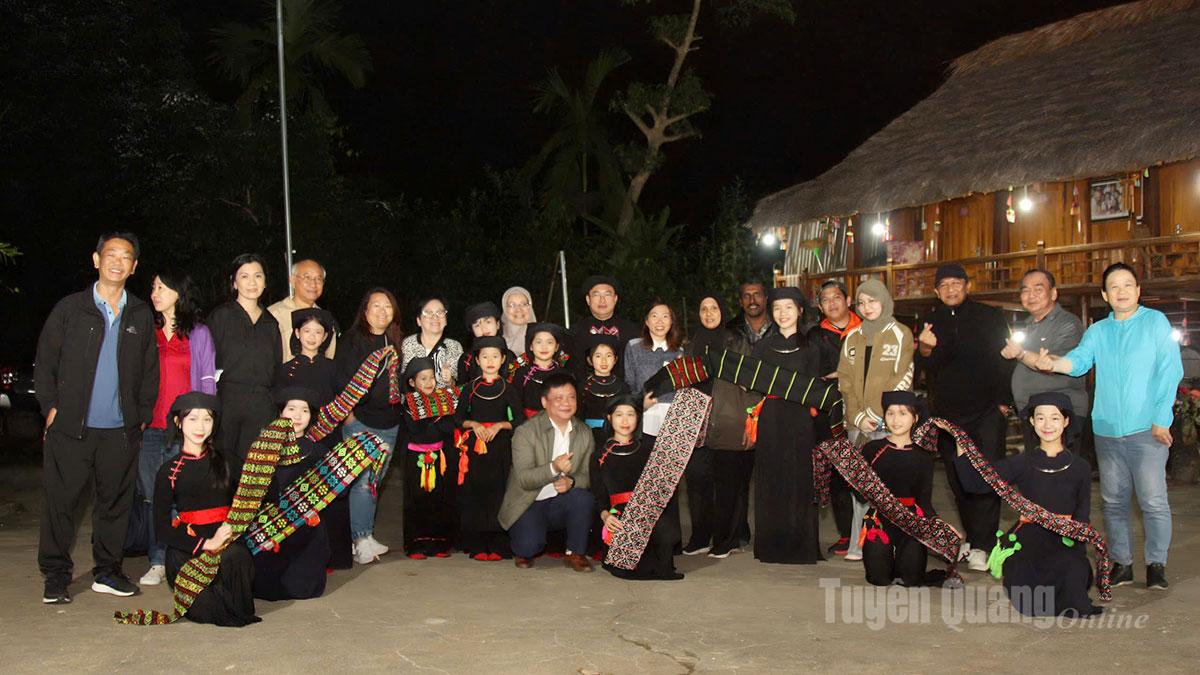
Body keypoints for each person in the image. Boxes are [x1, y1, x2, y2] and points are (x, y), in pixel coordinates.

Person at [1035, 262, 1183, 589]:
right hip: (1107, 430)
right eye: (1113, 287)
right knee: (1113, 502)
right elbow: (1080, 361)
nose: (1121, 291)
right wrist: (1054, 363)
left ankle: (1156, 564)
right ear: (1105, 294)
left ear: (1138, 290)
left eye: (1127, 284)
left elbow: (1170, 372)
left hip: (1147, 429)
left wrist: (1162, 419)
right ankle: (1123, 564)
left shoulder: (1155, 323)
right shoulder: (1099, 331)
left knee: (1152, 500)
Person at [36, 232, 159, 604]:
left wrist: (140, 416)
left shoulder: (139, 313)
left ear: (134, 266)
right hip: (72, 428)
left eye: (126, 257)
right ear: (96, 259)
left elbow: (149, 372)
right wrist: (50, 406)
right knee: (62, 503)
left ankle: (108, 570)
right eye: (111, 254)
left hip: (120, 431)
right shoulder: (70, 309)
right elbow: (45, 362)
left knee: (115, 504)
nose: (117, 262)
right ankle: (56, 575)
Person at [951, 392, 1102, 616]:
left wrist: (1076, 551)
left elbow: (1082, 514)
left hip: (1064, 539)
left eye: (1055, 418)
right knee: (1032, 604)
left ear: (1066, 421)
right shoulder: (1021, 463)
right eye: (1040, 418)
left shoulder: (1080, 467)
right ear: (1031, 422)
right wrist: (962, 451)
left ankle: (1073, 580)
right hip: (1028, 539)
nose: (1047, 424)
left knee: (1073, 587)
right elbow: (977, 484)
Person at [916, 262, 1012, 571]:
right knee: (957, 479)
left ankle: (984, 544)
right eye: (944, 286)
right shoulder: (931, 321)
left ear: (967, 286)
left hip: (986, 410)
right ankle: (972, 538)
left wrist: (1002, 402)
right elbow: (926, 368)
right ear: (936, 291)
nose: (951, 290)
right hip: (947, 414)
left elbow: (1005, 359)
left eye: (956, 284)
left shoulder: (990, 316)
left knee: (985, 476)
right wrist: (926, 350)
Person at [137, 269, 217, 587]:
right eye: (153, 287)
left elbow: (207, 381)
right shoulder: (147, 331)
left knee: (181, 497)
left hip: (182, 430)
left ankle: (180, 558)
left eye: (161, 287)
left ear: (178, 292)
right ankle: (157, 560)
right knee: (150, 495)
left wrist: (201, 424)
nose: (154, 292)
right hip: (150, 426)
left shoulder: (198, 333)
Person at [154, 392, 258, 626]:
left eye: (207, 419)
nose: (200, 426)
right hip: (188, 544)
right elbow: (162, 529)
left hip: (226, 537)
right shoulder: (169, 471)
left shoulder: (228, 460)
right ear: (178, 422)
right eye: (193, 419)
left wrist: (233, 526)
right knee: (207, 610)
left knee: (236, 557)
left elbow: (254, 496)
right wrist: (205, 544)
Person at [837, 279, 915, 561]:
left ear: (885, 301)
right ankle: (858, 545)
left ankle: (891, 544)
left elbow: (903, 376)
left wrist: (878, 414)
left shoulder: (900, 334)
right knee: (860, 486)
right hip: (857, 426)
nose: (868, 307)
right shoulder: (852, 337)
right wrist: (858, 415)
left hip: (888, 424)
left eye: (873, 301)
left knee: (889, 487)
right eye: (862, 302)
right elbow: (844, 381)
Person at [750, 287, 823, 564]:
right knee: (771, 477)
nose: (783, 313)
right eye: (778, 308)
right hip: (771, 416)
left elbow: (816, 388)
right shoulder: (762, 347)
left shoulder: (811, 348)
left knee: (799, 478)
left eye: (789, 307)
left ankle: (800, 545)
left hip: (801, 418)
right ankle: (771, 545)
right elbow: (754, 382)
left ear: (800, 311)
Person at [273, 307, 350, 568]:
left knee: (331, 493)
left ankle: (333, 555)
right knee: (299, 495)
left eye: (319, 332)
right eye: (307, 331)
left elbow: (344, 401)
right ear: (297, 333)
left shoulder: (333, 367)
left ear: (326, 336)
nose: (312, 336)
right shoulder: (286, 369)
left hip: (328, 438)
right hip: (295, 441)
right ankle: (300, 553)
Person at [498, 372, 596, 572]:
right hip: (529, 501)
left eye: (571, 397)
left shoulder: (584, 432)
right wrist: (554, 468)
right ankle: (525, 545)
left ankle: (575, 553)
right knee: (528, 547)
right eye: (558, 398)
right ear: (544, 402)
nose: (566, 403)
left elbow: (589, 476)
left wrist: (572, 482)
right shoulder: (526, 432)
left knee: (583, 498)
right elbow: (524, 479)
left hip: (562, 501)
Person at [336, 288, 404, 564]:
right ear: (365, 311)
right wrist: (348, 414)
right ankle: (359, 538)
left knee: (374, 481)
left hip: (389, 422)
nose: (382, 311)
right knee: (362, 481)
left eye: (388, 306)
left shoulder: (393, 341)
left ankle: (364, 535)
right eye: (376, 306)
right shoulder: (352, 340)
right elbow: (341, 379)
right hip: (361, 421)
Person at [252, 387, 332, 601]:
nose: (297, 416)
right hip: (270, 525)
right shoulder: (264, 447)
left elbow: (335, 493)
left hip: (306, 527)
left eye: (304, 411)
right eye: (292, 408)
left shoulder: (319, 452)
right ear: (281, 412)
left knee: (303, 588)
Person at [592, 395, 684, 580]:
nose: (625, 421)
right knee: (627, 567)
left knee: (666, 530)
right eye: (619, 415)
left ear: (638, 418)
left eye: (631, 414)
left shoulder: (650, 448)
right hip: (619, 516)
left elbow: (667, 486)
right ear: (610, 418)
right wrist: (605, 516)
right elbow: (599, 494)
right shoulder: (600, 455)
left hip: (650, 510)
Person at [1000, 269, 1089, 457]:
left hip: (1059, 413)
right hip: (1031, 412)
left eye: (1038, 289)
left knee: (1060, 475)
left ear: (1053, 293)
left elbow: (1055, 365)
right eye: (1025, 290)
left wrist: (1021, 354)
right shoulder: (1028, 324)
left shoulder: (1068, 324)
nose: (1030, 295)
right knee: (1037, 474)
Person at [207, 253, 282, 468]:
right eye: (244, 276)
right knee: (223, 469)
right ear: (234, 282)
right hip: (227, 403)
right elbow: (208, 364)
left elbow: (276, 367)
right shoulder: (220, 317)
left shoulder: (270, 323)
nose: (252, 282)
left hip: (261, 406)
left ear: (265, 282)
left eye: (258, 276)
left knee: (255, 472)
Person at [855, 391, 937, 586]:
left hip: (911, 522)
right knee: (878, 579)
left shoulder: (924, 455)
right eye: (890, 413)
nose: (895, 419)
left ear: (915, 418)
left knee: (911, 580)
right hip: (879, 521)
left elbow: (924, 501)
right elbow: (860, 496)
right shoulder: (872, 449)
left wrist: (939, 527)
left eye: (902, 413)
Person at [455, 336, 524, 560]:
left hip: (500, 447)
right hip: (475, 448)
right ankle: (477, 544)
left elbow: (520, 420)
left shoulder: (509, 388)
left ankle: (498, 544)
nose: (490, 361)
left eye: (495, 356)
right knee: (476, 493)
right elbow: (458, 419)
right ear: (477, 360)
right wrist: (474, 424)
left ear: (503, 359)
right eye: (485, 356)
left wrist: (501, 425)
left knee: (498, 493)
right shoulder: (469, 389)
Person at [810, 280, 862, 557]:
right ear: (820, 306)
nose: (832, 303)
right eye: (826, 300)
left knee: (867, 472)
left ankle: (871, 531)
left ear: (848, 299)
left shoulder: (866, 328)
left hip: (864, 411)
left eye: (836, 297)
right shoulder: (814, 336)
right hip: (829, 413)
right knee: (839, 476)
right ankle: (846, 533)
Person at [401, 357, 460, 559]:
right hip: (416, 459)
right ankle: (417, 543)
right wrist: (436, 418)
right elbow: (415, 429)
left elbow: (450, 426)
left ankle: (439, 541)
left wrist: (433, 418)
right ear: (412, 383)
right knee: (417, 498)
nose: (429, 383)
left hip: (439, 456)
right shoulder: (408, 404)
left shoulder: (444, 399)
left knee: (439, 498)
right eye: (423, 379)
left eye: (432, 378)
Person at [623, 301, 684, 440]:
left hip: (671, 420)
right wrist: (639, 404)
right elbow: (629, 382)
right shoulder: (634, 347)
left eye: (665, 316)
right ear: (647, 321)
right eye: (654, 316)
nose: (660, 321)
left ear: (671, 322)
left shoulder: (680, 352)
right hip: (644, 417)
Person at [568, 275, 640, 375]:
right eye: (596, 295)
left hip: (624, 388)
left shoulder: (631, 330)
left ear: (615, 299)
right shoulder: (576, 331)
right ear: (588, 300)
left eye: (607, 294)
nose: (602, 300)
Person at [267, 259, 336, 362]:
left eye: (318, 279)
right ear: (292, 281)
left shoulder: (326, 318)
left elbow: (329, 357)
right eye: (307, 277)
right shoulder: (274, 315)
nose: (313, 284)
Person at [401, 296, 464, 388]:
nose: (435, 317)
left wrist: (450, 381)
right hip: (412, 401)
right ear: (419, 321)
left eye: (440, 312)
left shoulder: (454, 346)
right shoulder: (407, 344)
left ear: (446, 320)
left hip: (444, 401)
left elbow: (460, 384)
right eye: (428, 313)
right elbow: (401, 380)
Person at [512, 322, 568, 418]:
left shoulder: (564, 375)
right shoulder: (522, 373)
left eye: (549, 342)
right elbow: (515, 405)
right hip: (528, 425)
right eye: (539, 342)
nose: (544, 347)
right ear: (531, 346)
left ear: (557, 347)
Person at [579, 334, 630, 431]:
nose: (603, 361)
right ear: (590, 360)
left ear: (615, 359)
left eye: (608, 355)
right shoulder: (582, 387)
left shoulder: (623, 387)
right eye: (598, 356)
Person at [458, 301, 516, 382]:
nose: (483, 328)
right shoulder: (466, 359)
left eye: (488, 322)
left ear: (498, 324)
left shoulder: (509, 356)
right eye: (477, 325)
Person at [729, 280, 778, 349]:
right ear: (741, 302)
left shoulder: (779, 327)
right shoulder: (730, 331)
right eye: (746, 296)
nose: (752, 301)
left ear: (766, 298)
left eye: (757, 295)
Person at [500, 286, 536, 357]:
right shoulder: (496, 339)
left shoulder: (543, 336)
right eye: (512, 305)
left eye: (523, 304)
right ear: (505, 308)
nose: (518, 309)